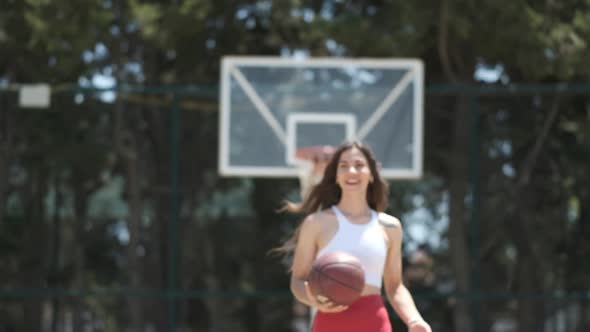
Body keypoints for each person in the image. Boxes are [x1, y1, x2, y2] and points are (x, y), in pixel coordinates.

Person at [277, 141, 432, 332]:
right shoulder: (315, 223)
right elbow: (297, 281)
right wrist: (313, 298)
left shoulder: (391, 227)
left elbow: (395, 287)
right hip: (330, 322)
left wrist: (414, 320)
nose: (351, 171)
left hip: (374, 322)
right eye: (343, 166)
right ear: (336, 176)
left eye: (359, 165)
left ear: (372, 175)